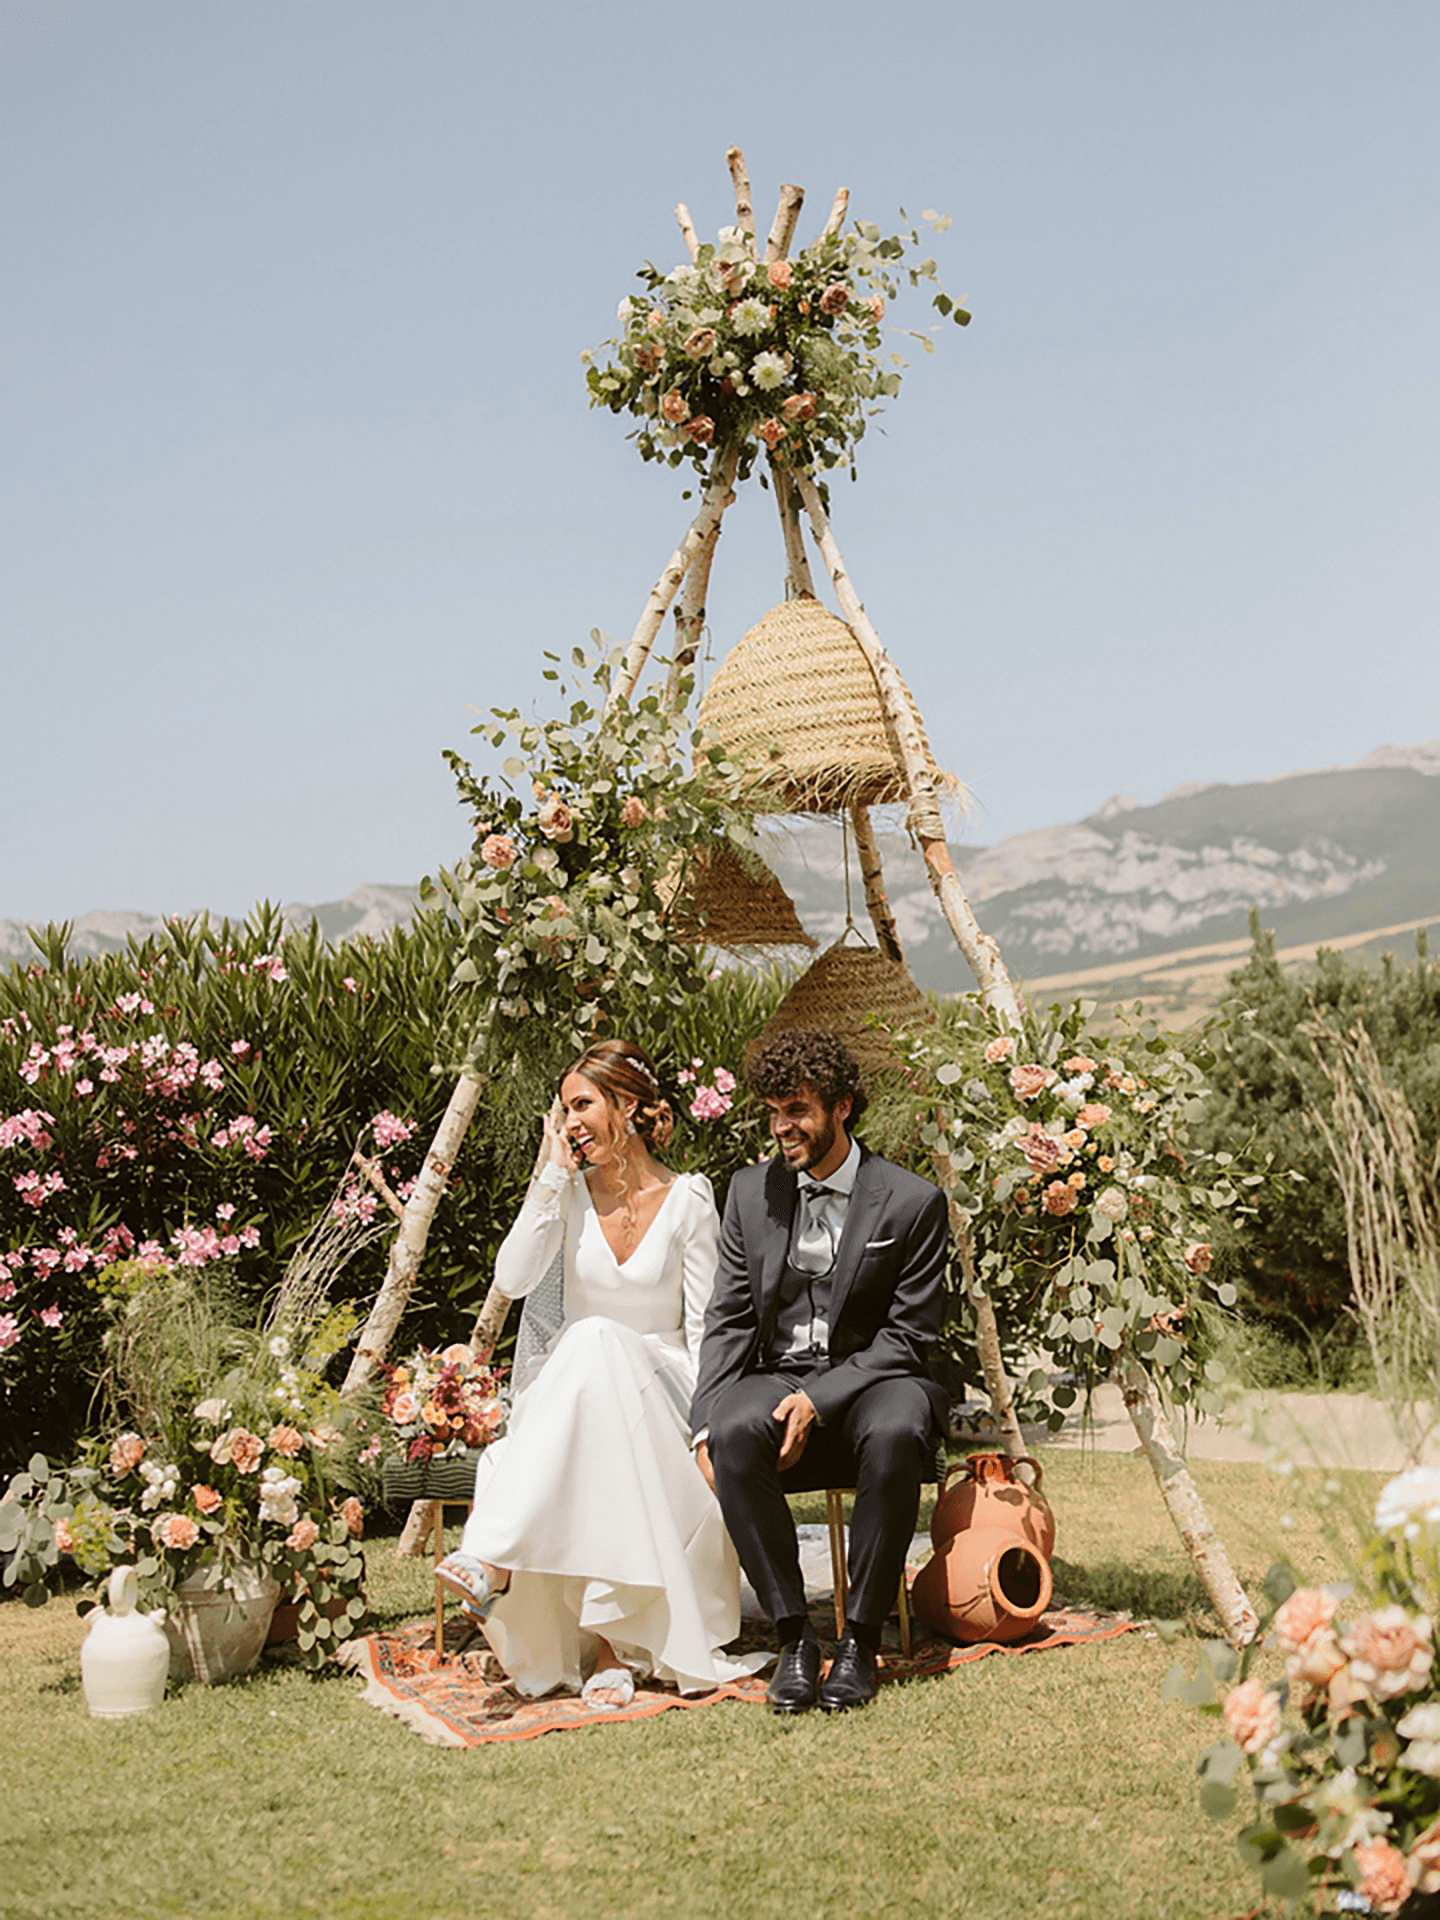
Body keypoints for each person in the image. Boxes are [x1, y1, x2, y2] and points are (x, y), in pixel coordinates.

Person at [435, 1039, 766, 1708]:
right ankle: (610, 1649)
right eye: (563, 1109)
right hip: (582, 1399)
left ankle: (494, 1557)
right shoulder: (568, 1196)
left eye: (582, 1103)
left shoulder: (689, 1200)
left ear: (629, 1106)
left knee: (594, 1339)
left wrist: (708, 1432)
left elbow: (709, 1329)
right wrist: (552, 1180)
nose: (570, 1120)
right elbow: (512, 1278)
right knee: (590, 1350)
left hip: (664, 1390)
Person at [691, 1028, 949, 1714]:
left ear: (842, 1107)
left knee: (897, 1429)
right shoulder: (750, 1193)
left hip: (875, 1376)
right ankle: (795, 1636)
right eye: (774, 1112)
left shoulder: (911, 1201)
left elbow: (907, 1336)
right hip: (777, 1370)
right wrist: (702, 1426)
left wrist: (819, 1396)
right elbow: (730, 1319)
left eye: (797, 1110)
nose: (781, 1128)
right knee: (733, 1430)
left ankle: (860, 1639)